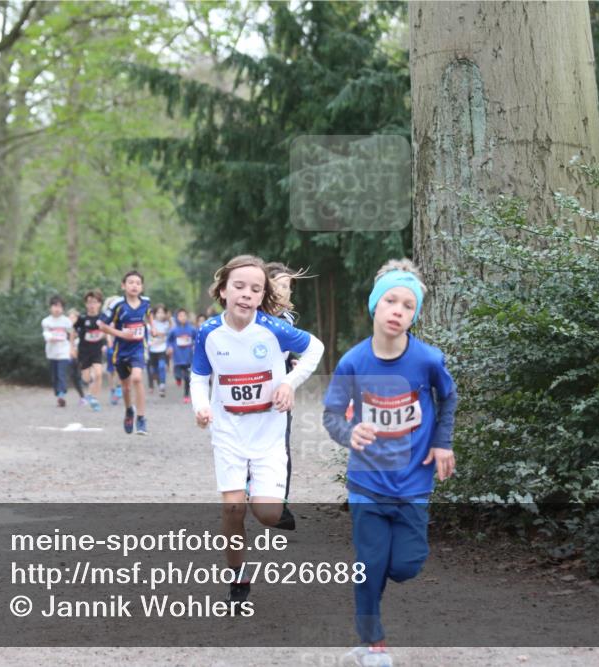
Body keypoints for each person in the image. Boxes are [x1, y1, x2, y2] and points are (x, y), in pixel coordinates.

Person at [322, 259, 458, 667]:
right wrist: (350, 433)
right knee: (369, 565)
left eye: (408, 305)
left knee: (405, 567)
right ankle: (373, 644)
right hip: (367, 482)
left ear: (414, 315)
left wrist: (442, 443)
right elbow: (332, 415)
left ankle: (374, 618)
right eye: (391, 301)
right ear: (375, 305)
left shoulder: (427, 360)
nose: (398, 310)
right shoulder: (352, 363)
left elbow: (448, 397)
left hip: (414, 482)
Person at [190, 255, 324, 611]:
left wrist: (289, 383)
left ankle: (258, 491)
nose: (246, 294)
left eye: (255, 288)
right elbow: (199, 377)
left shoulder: (273, 328)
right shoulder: (208, 332)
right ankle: (238, 579)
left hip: (268, 434)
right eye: (239, 286)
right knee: (233, 508)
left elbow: (315, 348)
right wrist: (201, 407)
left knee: (267, 514)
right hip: (228, 432)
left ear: (263, 295)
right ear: (223, 290)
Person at [263, 261, 314, 531]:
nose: (285, 291)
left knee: (282, 447)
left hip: (280, 394)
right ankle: (249, 489)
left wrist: (291, 362)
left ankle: (281, 505)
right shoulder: (251, 317)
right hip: (251, 393)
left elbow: (290, 350)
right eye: (280, 285)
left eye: (289, 287)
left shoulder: (289, 320)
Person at [98, 272, 152, 435]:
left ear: (142, 287)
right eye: (131, 282)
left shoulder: (146, 302)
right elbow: (101, 324)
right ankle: (129, 410)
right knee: (126, 388)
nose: (134, 285)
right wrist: (121, 334)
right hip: (121, 351)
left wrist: (153, 328)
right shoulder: (117, 305)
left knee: (137, 378)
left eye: (138, 283)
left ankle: (141, 418)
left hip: (138, 348)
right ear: (123, 285)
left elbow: (148, 316)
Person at [74, 290, 106, 411]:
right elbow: (72, 331)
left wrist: (106, 342)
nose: (92, 305)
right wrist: (71, 347)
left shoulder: (103, 318)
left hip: (96, 350)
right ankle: (90, 387)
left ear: (99, 304)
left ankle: (94, 398)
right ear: (86, 304)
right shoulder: (82, 318)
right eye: (89, 302)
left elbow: (108, 330)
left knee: (98, 373)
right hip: (84, 351)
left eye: (95, 302)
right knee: (86, 378)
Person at [41, 296, 74, 407]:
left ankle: (61, 395)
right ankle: (58, 392)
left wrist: (72, 348)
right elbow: (45, 333)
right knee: (54, 376)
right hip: (51, 352)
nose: (57, 309)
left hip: (64, 351)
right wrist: (49, 337)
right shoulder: (46, 321)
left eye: (60, 306)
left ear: (63, 309)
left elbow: (71, 334)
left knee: (61, 374)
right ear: (50, 307)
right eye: (55, 306)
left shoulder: (66, 321)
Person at [167, 308, 196, 404]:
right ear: (177, 317)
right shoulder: (174, 330)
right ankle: (178, 379)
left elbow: (197, 339)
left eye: (184, 315)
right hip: (177, 358)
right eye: (180, 316)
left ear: (187, 317)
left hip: (188, 358)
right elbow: (169, 340)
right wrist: (170, 347)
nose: (182, 317)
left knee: (187, 378)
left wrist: (195, 345)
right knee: (178, 375)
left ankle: (186, 395)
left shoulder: (192, 329)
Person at [65, 308, 89, 406]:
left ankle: (89, 393)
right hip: (71, 355)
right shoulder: (67, 329)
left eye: (73, 317)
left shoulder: (82, 327)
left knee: (83, 375)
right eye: (69, 317)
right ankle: (82, 396)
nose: (71, 319)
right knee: (74, 376)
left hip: (83, 354)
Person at [147, 304, 172, 398]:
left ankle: (162, 385)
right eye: (158, 312)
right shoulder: (151, 324)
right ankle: (158, 381)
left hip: (162, 348)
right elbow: (148, 335)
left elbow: (170, 335)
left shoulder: (167, 324)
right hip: (152, 349)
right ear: (155, 314)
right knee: (153, 370)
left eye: (162, 312)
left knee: (162, 366)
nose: (160, 314)